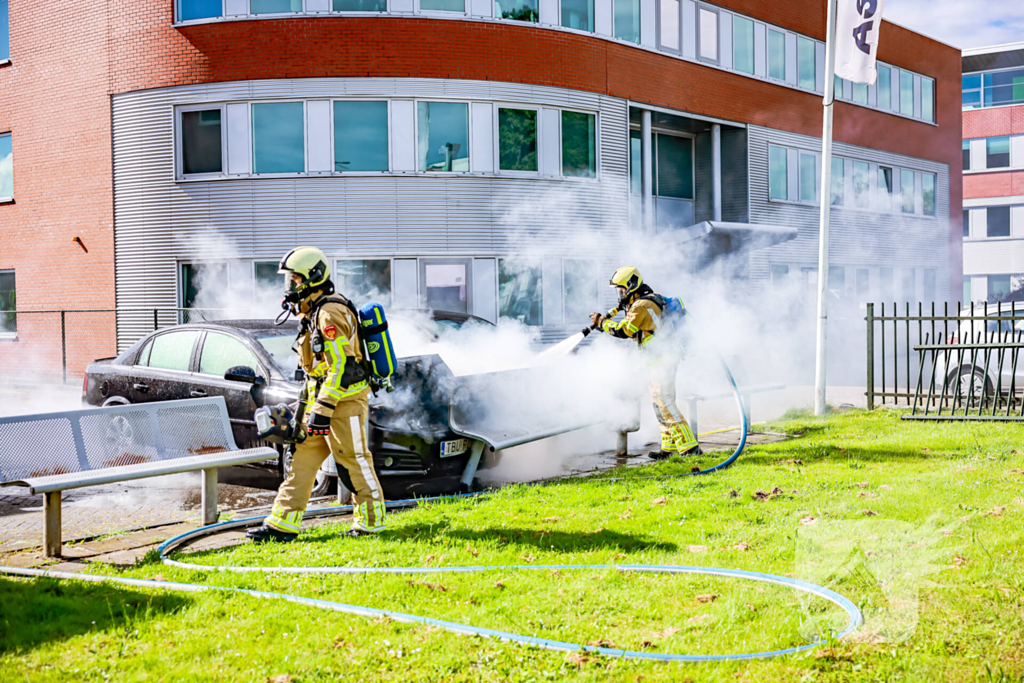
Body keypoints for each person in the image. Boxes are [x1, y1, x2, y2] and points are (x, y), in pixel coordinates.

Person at [247, 246, 386, 542]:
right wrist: (306, 409)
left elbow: (340, 368)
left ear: (313, 278)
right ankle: (282, 525)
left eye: (295, 280)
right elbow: (316, 373)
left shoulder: (329, 313)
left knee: (354, 461)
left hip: (344, 405)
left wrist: (321, 412)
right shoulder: (313, 312)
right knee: (301, 461)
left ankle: (371, 524)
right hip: (321, 405)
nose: (290, 287)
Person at [590, 266, 700, 460]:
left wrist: (601, 322)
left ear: (631, 286)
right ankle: (668, 448)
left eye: (622, 289)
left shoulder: (641, 306)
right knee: (659, 404)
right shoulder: (649, 300)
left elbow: (624, 331)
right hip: (658, 359)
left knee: (665, 403)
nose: (621, 294)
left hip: (662, 361)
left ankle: (690, 449)